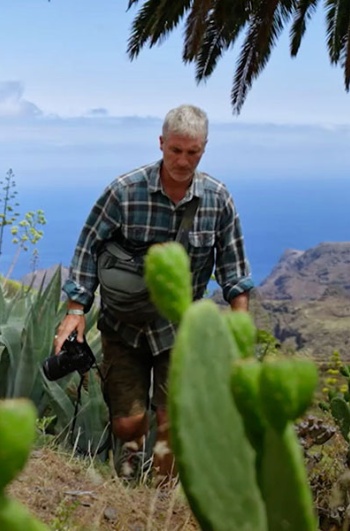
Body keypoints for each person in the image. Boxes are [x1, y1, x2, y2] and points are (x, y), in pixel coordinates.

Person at [54, 104, 254, 485]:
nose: (182, 160)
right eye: (175, 150)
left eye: (192, 152)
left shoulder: (217, 199)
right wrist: (76, 309)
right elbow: (87, 247)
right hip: (123, 325)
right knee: (129, 423)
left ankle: (160, 501)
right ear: (161, 143)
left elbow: (234, 266)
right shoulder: (124, 192)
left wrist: (241, 327)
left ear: (204, 148)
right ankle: (127, 486)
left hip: (180, 330)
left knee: (171, 421)